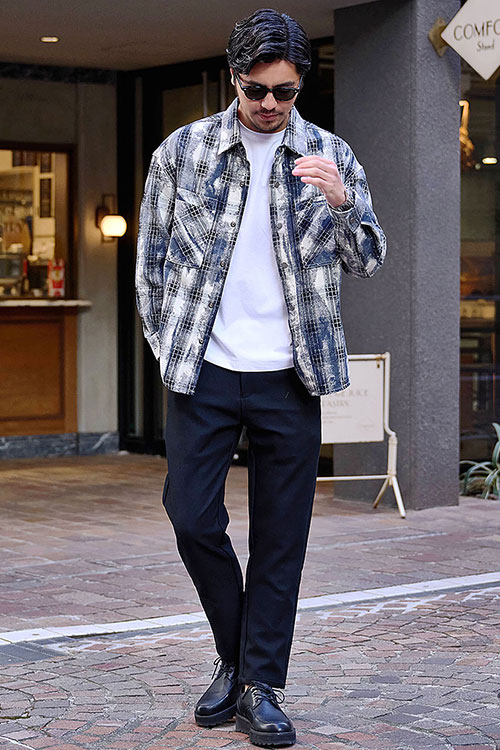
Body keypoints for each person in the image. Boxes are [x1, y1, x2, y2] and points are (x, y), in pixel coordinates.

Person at [136, 8, 386, 747]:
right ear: (233, 78)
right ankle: (237, 655)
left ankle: (260, 686)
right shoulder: (183, 152)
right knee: (191, 517)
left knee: (282, 539)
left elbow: (369, 259)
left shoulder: (330, 154)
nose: (270, 103)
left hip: (290, 375)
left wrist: (342, 202)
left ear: (301, 83)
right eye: (256, 89)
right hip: (205, 369)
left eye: (285, 90)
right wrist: (169, 346)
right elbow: (151, 263)